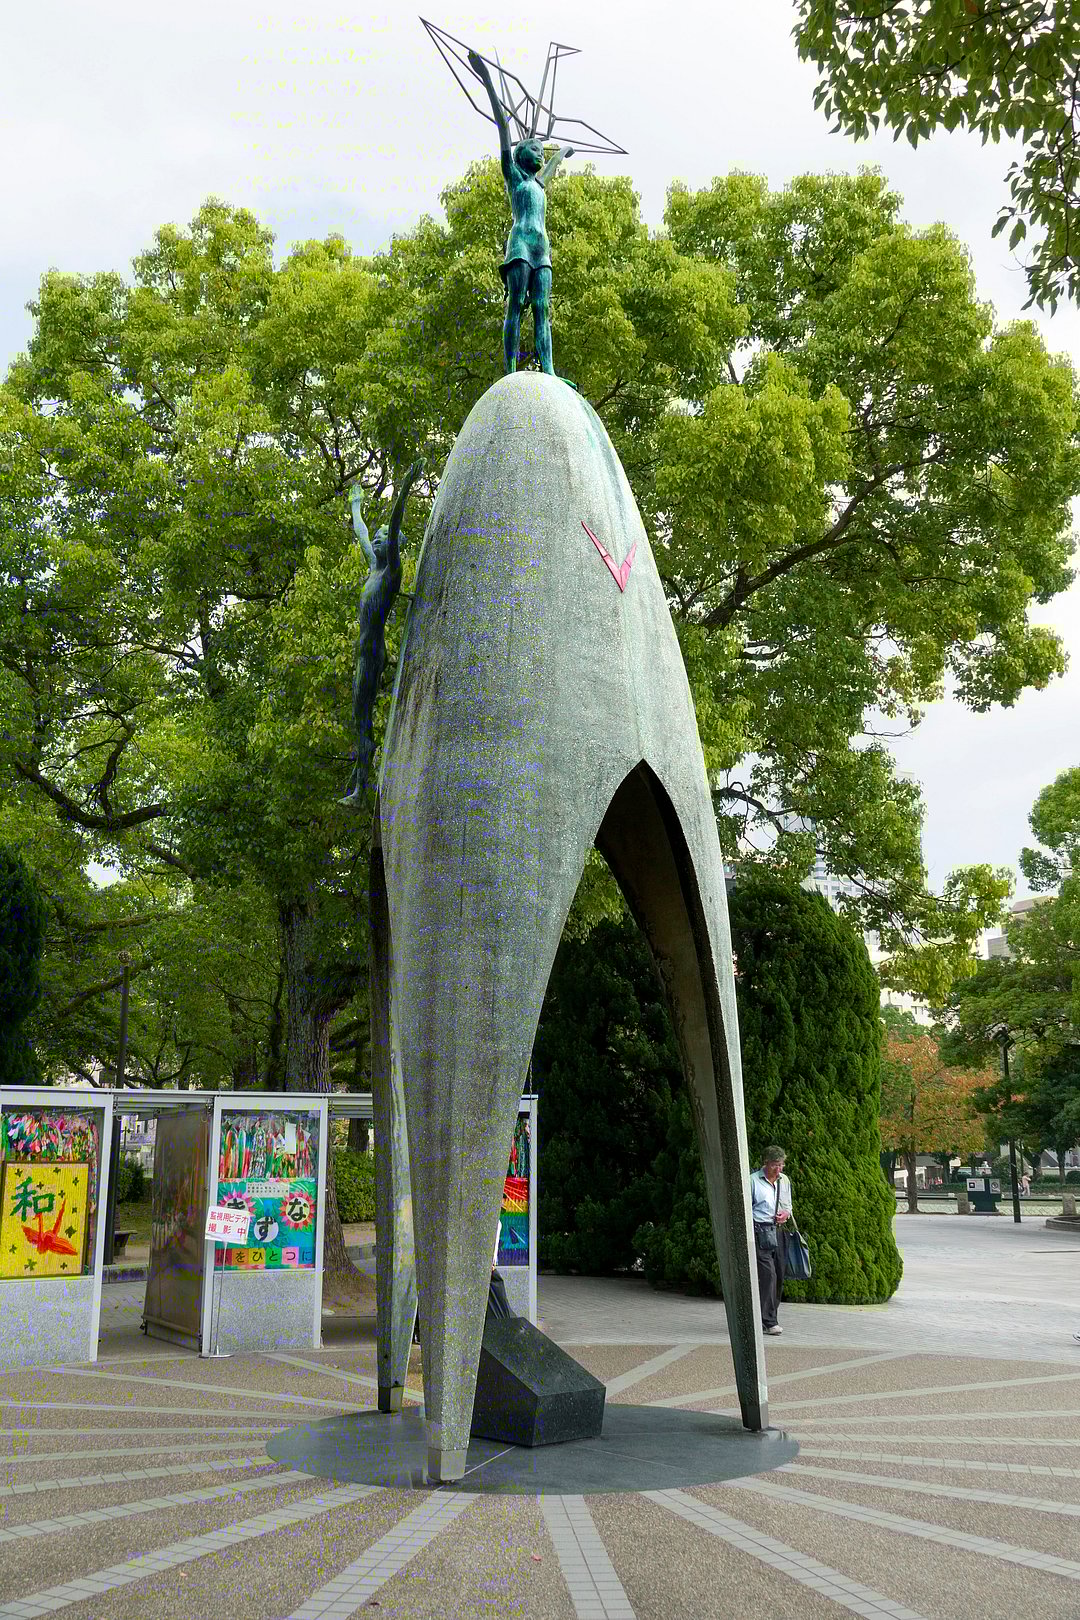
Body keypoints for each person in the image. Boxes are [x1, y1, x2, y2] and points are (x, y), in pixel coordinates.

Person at [467, 49, 574, 376]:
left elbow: (551, 168)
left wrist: (564, 153)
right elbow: (503, 125)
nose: (541, 155)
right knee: (515, 306)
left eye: (544, 152)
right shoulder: (514, 176)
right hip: (520, 245)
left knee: (542, 309)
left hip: (542, 247)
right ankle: (511, 371)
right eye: (535, 150)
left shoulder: (538, 184)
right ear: (521, 154)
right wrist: (487, 81)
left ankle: (551, 372)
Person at [750, 1146, 792, 1336]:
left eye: (781, 1164)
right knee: (768, 1275)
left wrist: (786, 1214)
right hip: (760, 1231)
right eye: (775, 1164)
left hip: (779, 1232)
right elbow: (746, 1209)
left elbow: (788, 1205)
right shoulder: (753, 1181)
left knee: (779, 1277)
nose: (779, 1169)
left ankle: (768, 1316)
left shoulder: (784, 1180)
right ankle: (769, 1321)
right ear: (765, 1163)